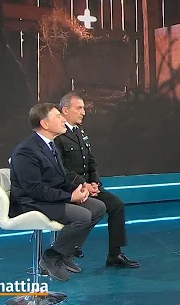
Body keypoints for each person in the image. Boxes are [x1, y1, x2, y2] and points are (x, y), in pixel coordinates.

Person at [9, 103, 107, 282]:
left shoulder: (50, 145)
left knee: (98, 207)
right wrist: (70, 197)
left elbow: (59, 177)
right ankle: (52, 256)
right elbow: (34, 189)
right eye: (58, 117)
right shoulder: (26, 151)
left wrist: (80, 188)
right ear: (44, 124)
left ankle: (65, 252)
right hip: (31, 202)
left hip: (48, 196)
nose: (63, 120)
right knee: (82, 216)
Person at [55, 92, 139, 268]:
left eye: (83, 108)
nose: (83, 112)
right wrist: (83, 185)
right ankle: (70, 246)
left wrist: (95, 183)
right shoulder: (58, 134)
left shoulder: (80, 131)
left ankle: (115, 254)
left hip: (88, 186)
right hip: (70, 189)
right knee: (94, 209)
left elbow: (91, 160)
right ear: (65, 110)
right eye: (79, 108)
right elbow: (61, 169)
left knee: (117, 205)